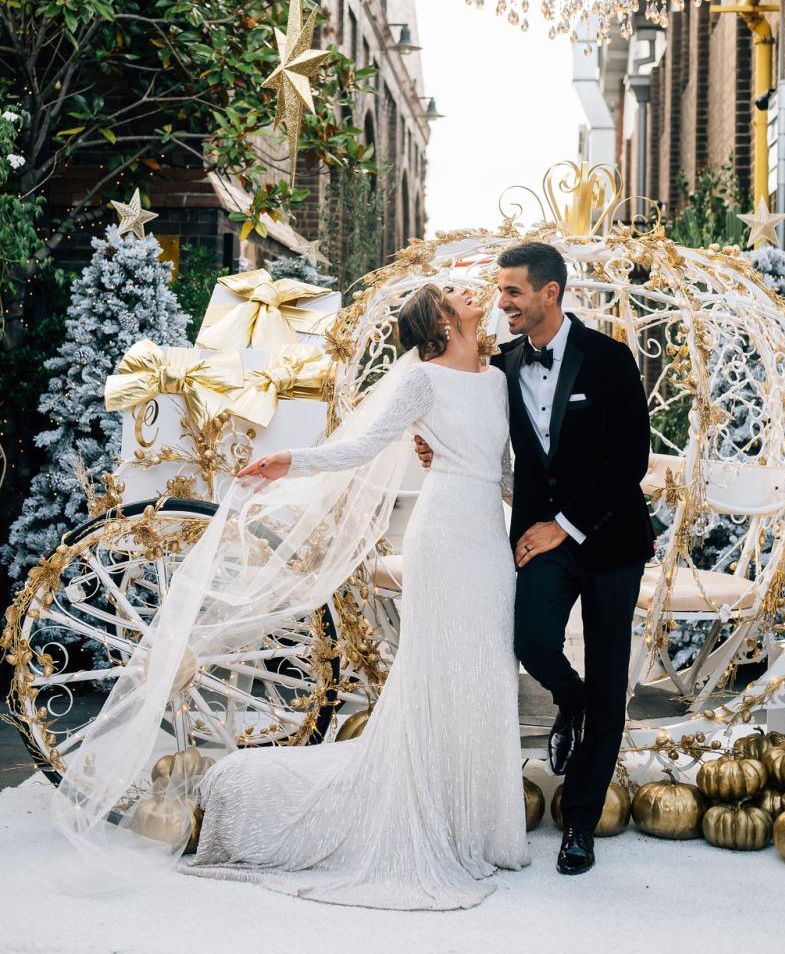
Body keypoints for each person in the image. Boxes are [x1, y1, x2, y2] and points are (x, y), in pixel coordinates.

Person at [183, 281, 530, 910]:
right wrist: (292, 459)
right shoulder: (420, 380)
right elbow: (362, 446)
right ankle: (424, 816)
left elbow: (504, 471)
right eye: (455, 292)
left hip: (489, 540)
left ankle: (479, 824)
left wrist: (543, 517)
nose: (471, 291)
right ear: (443, 320)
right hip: (444, 536)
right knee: (435, 671)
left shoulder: (498, 380)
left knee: (485, 671)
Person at [416, 242, 654, 875]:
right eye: (498, 291)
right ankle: (566, 701)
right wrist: (433, 449)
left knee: (610, 680)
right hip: (535, 539)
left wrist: (565, 526)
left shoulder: (609, 359)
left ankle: (579, 824)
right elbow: (485, 443)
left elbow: (630, 461)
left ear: (550, 293)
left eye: (513, 292)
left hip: (607, 542)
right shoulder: (505, 368)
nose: (502, 303)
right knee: (531, 639)